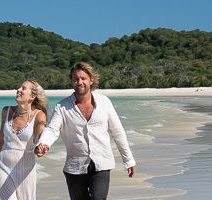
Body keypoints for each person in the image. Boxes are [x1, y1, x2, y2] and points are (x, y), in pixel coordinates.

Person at [34, 62, 136, 200]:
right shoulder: (62, 106)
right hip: (75, 166)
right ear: (71, 82)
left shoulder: (105, 102)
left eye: (83, 78)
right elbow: (52, 129)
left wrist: (128, 160)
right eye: (76, 79)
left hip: (102, 163)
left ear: (91, 80)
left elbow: (117, 132)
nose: (79, 82)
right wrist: (43, 143)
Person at [0, 79, 49, 200]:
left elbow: (41, 131)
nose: (18, 90)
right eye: (19, 87)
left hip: (26, 169)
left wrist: (42, 144)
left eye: (23, 88)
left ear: (32, 96)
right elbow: (1, 137)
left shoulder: (39, 115)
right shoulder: (6, 111)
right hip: (3, 166)